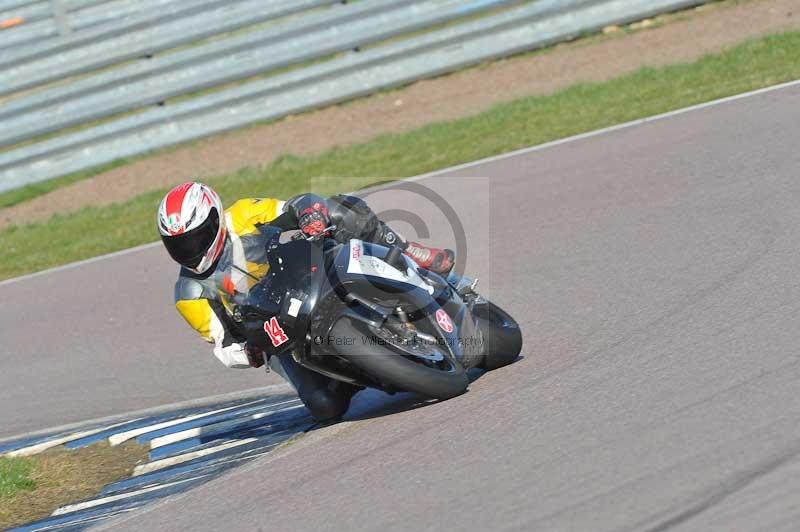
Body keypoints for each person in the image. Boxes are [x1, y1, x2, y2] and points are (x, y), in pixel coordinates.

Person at [157, 181, 455, 421]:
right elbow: (224, 347)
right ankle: (364, 370)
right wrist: (250, 352)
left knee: (339, 209)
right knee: (323, 406)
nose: (190, 250)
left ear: (216, 218)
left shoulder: (242, 215)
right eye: (179, 245)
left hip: (303, 274)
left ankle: (407, 252)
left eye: (196, 238)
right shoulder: (189, 293)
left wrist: (309, 215)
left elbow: (293, 206)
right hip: (275, 332)